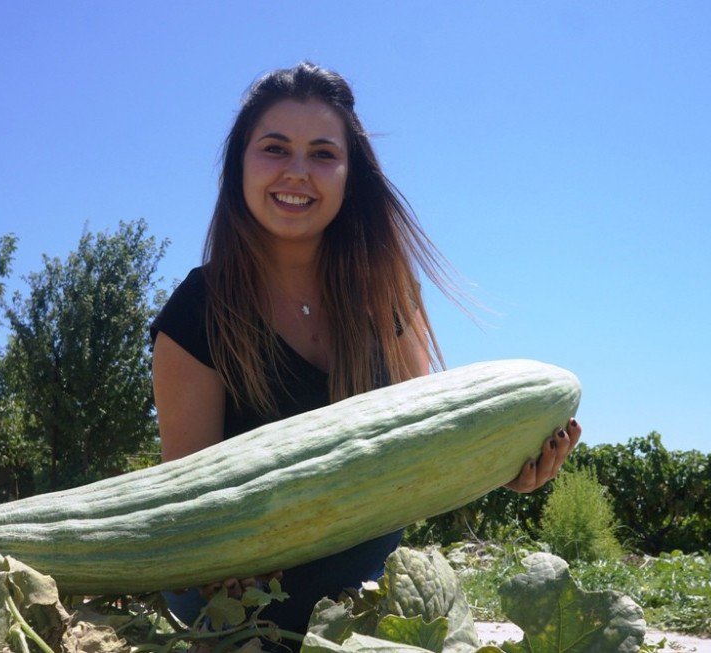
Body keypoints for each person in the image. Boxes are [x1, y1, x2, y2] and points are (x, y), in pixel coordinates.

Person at [149, 62, 581, 643]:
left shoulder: (387, 299)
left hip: (365, 600)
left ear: (350, 174)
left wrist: (500, 468)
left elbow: (430, 450)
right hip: (233, 613)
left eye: (323, 154)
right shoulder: (197, 310)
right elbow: (189, 508)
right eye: (275, 148)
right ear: (240, 166)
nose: (298, 172)